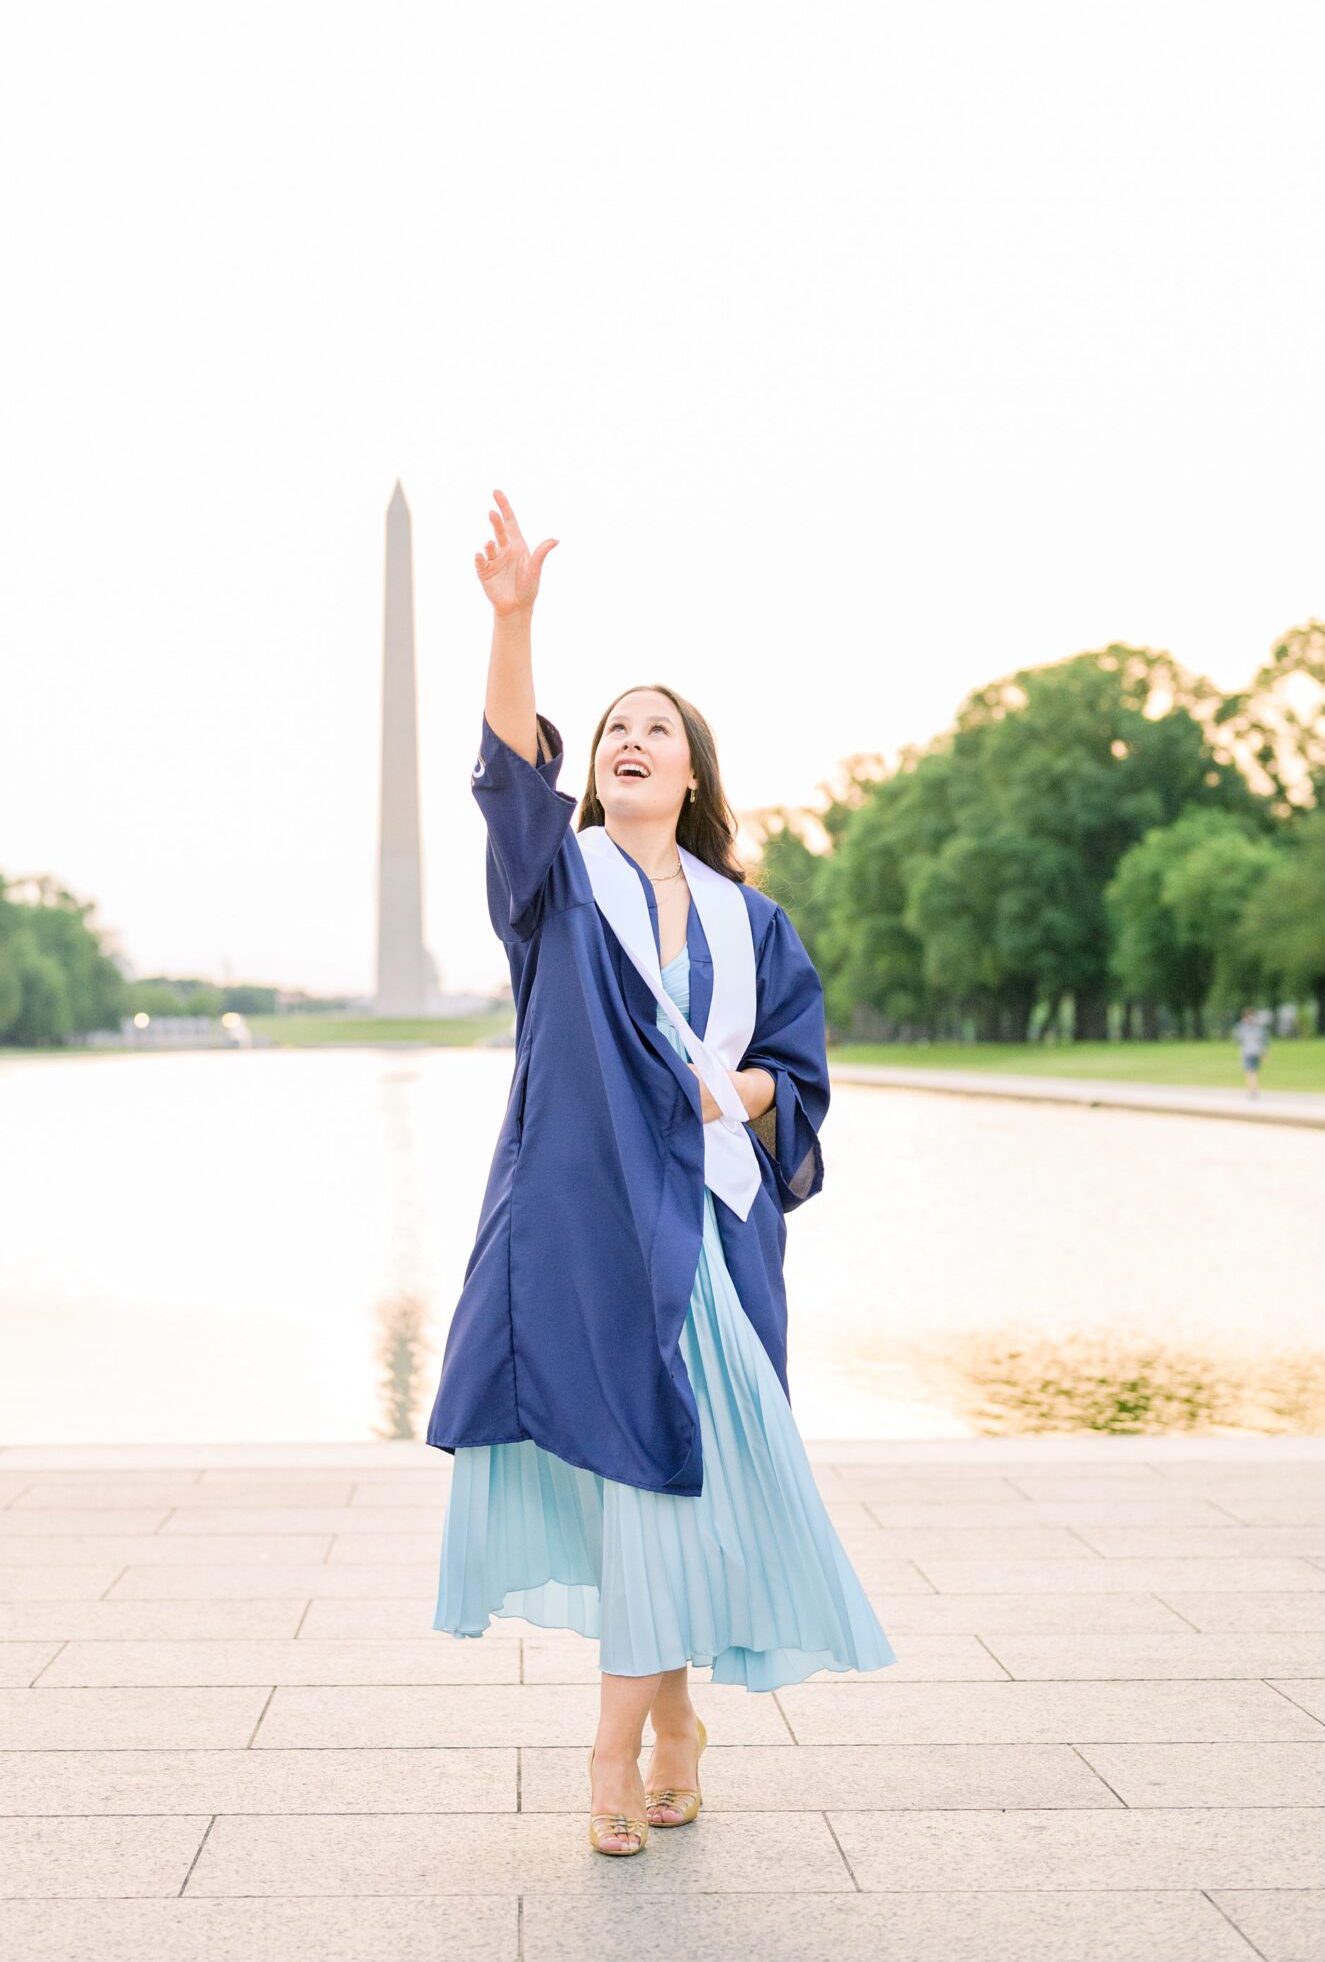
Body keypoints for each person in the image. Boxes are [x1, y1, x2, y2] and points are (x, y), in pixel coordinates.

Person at [428, 490, 894, 1858]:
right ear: (597, 770)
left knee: (695, 1484)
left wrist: (739, 1086)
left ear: (691, 775)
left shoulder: (757, 923)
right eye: (614, 728)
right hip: (591, 1238)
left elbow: (797, 1078)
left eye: (657, 731)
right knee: (645, 1479)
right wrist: (513, 621)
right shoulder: (555, 892)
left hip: (718, 1236)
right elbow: (505, 771)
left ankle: (675, 1722)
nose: (631, 740)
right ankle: (615, 1750)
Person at [1234, 1004, 1270, 1099]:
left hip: (1248, 1051)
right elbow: (1263, 1039)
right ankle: (1254, 1089)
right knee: (1254, 1072)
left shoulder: (1242, 1026)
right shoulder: (1257, 1026)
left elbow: (1238, 1040)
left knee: (1249, 1072)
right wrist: (1265, 1052)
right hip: (1256, 1051)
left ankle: (1252, 1091)